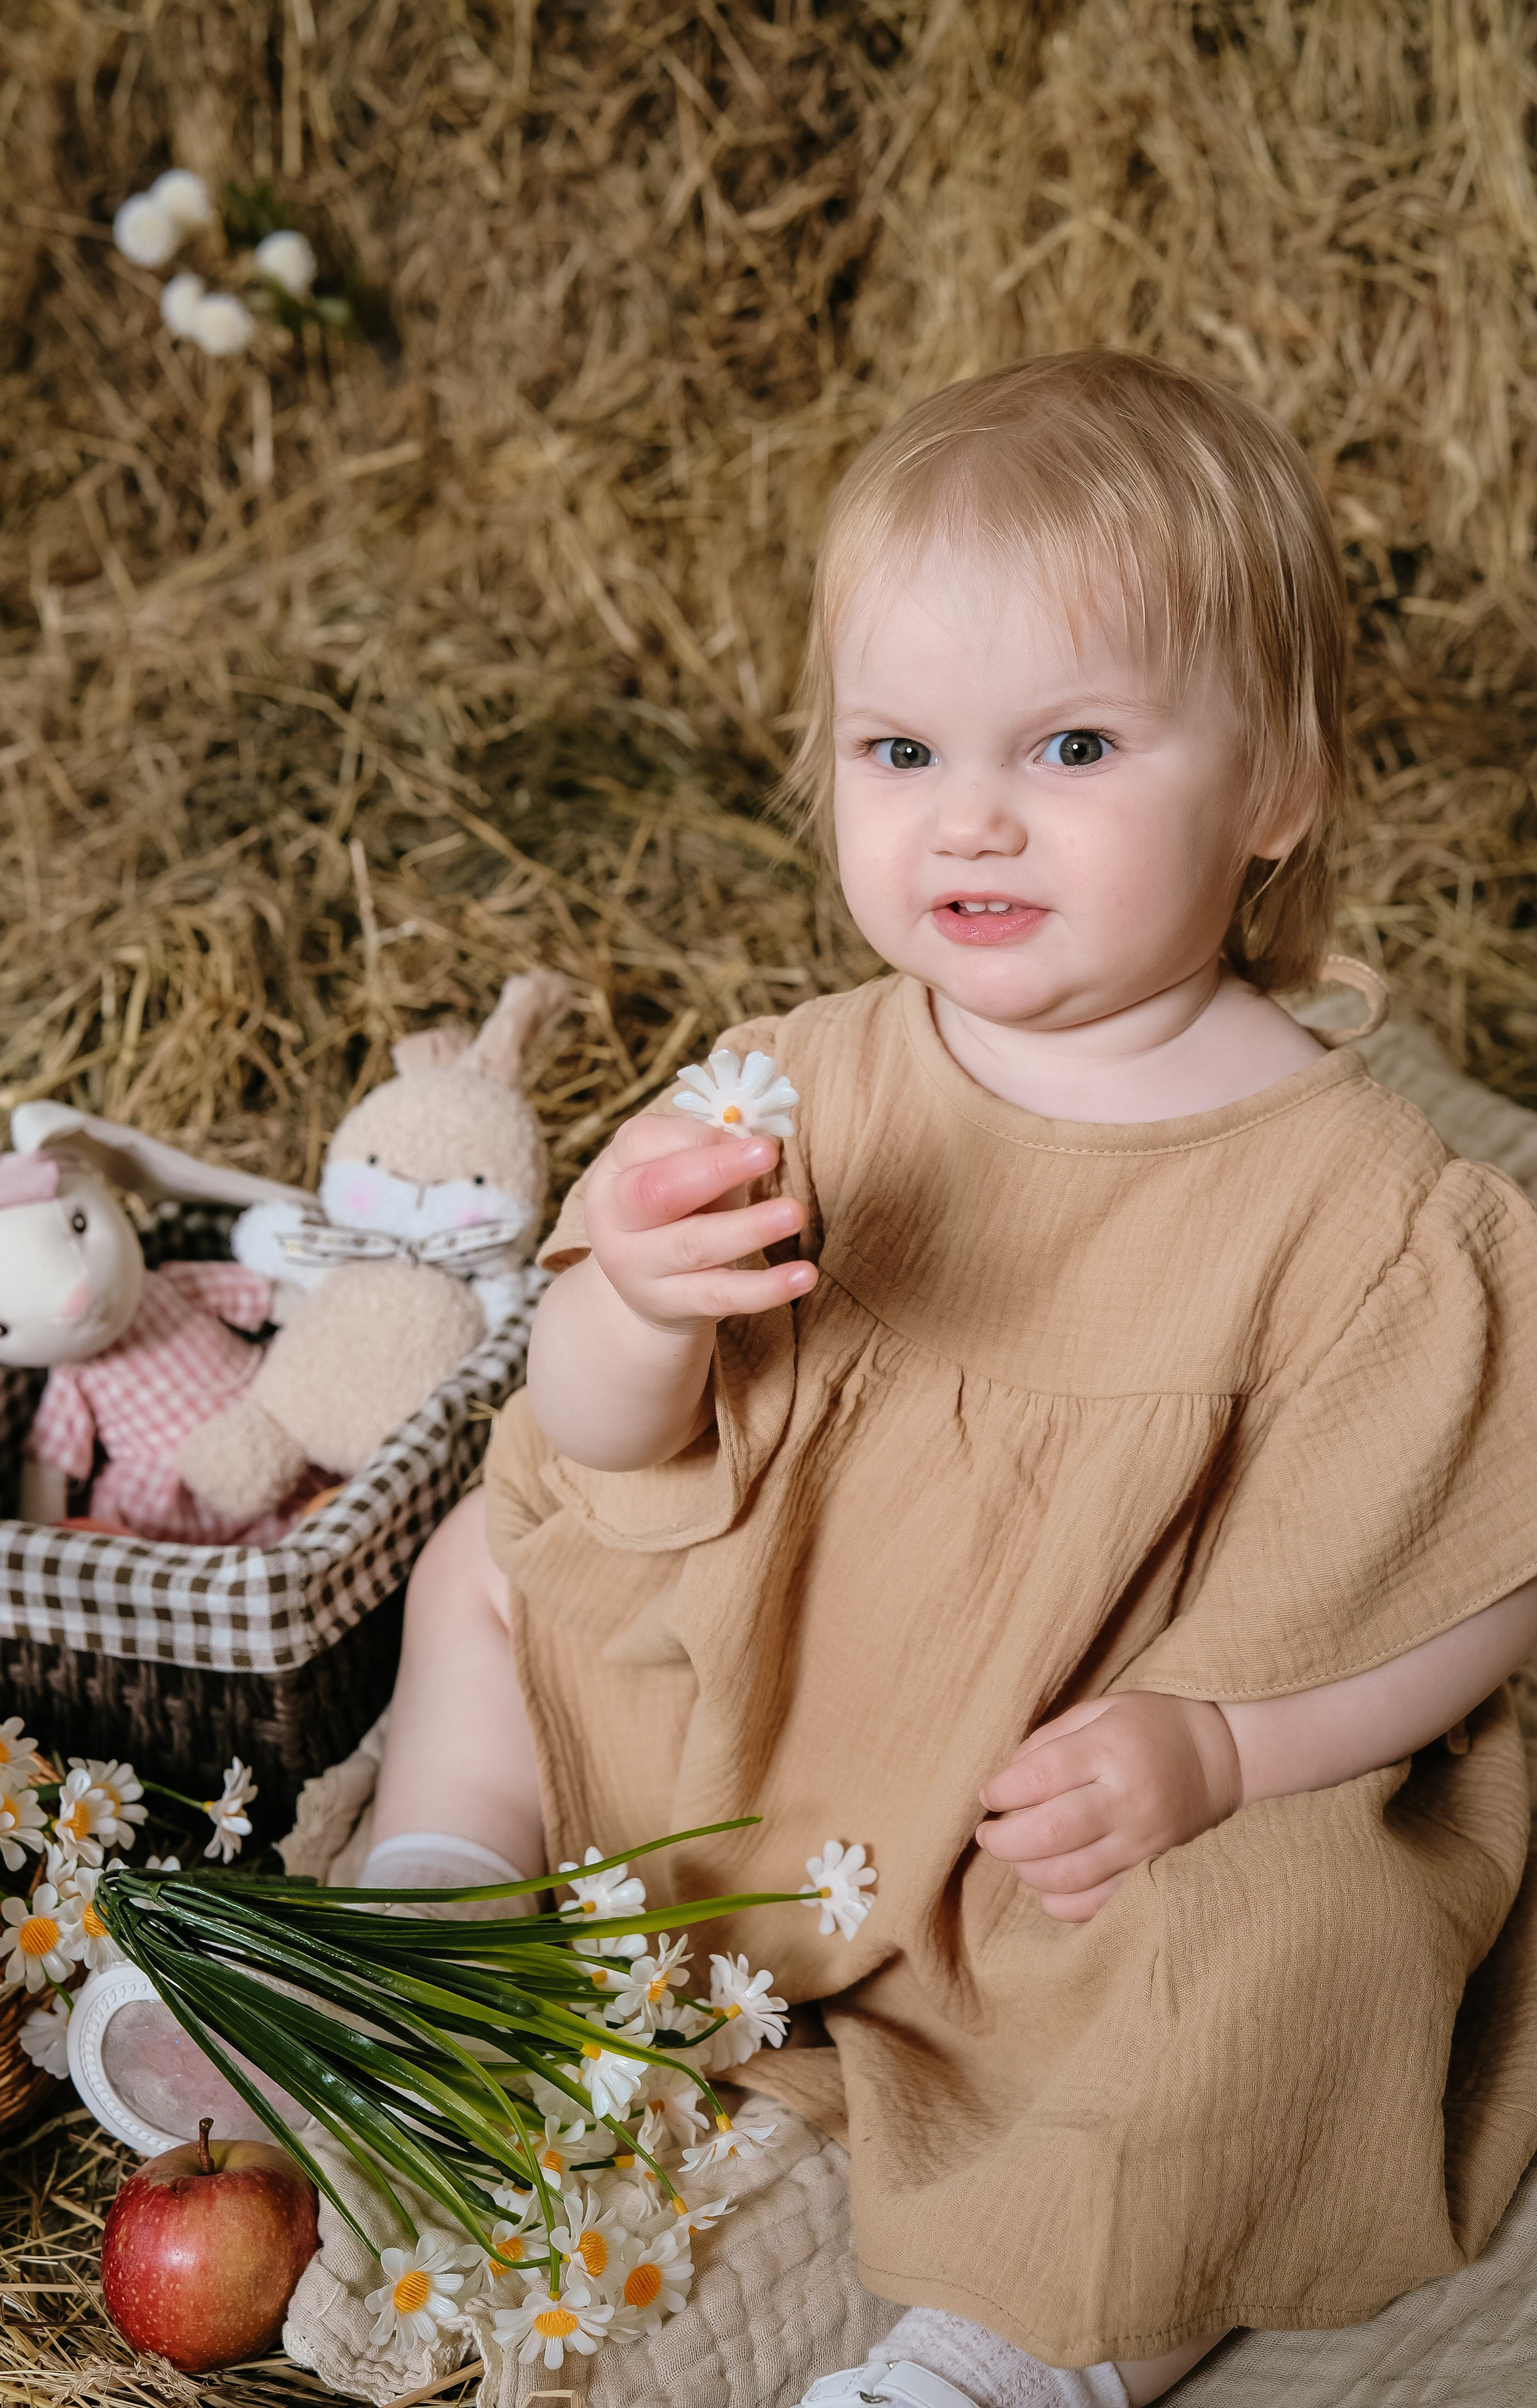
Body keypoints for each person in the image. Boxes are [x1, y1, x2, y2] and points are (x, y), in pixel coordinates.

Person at [362, 352, 1537, 2408]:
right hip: (772, 1724)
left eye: (1072, 744)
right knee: (494, 1557)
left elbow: (1479, 1575)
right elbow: (603, 1448)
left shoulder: (1367, 1206)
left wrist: (1232, 1756)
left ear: (1275, 788)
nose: (968, 818)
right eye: (899, 748)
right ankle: (442, 1917)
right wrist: (635, 1302)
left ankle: (1022, 2346)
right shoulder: (795, 1080)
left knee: (1299, 1945)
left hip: (1067, 1820)